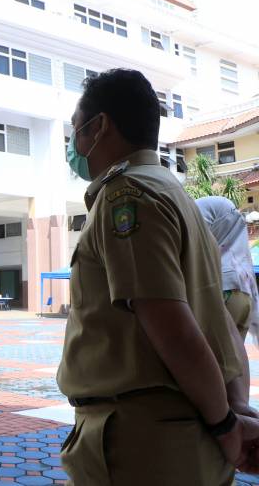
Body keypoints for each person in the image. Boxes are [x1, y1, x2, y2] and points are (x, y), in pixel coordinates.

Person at [58, 68, 259, 484]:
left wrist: (226, 426)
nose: (73, 144)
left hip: (140, 441)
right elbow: (220, 323)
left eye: (76, 129)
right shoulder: (177, 196)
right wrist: (235, 409)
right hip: (183, 433)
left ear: (100, 126)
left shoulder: (125, 197)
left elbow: (172, 326)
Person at [197, 195, 259, 418]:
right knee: (236, 354)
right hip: (242, 296)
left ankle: (225, 418)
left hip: (222, 291)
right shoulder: (241, 256)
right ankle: (242, 414)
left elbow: (193, 238)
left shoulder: (198, 209)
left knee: (216, 360)